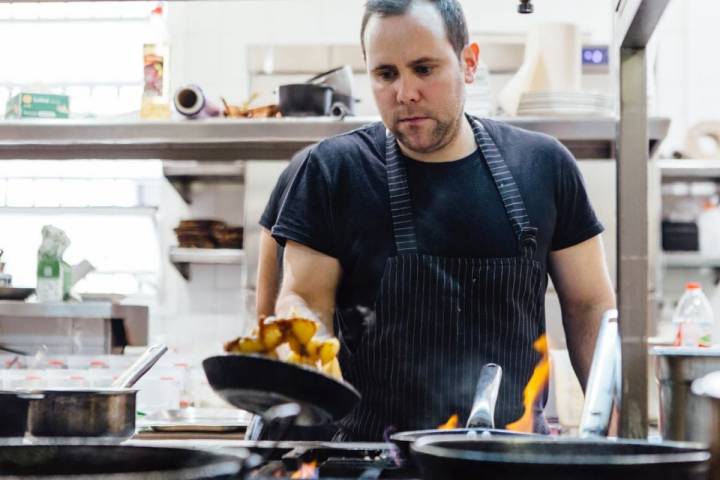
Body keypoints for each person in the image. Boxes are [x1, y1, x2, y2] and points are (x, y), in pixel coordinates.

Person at [270, 0, 616, 441]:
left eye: (424, 69)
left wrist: (612, 431)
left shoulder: (544, 165)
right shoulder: (333, 171)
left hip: (512, 461)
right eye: (386, 74)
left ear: (468, 63)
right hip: (373, 461)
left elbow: (590, 307)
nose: (405, 93)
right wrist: (298, 332)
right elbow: (302, 298)